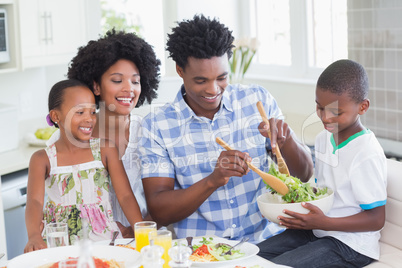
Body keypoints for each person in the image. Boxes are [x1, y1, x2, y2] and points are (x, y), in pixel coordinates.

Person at [138, 14, 314, 243]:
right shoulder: (157, 125)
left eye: (222, 77)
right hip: (204, 251)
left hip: (268, 242)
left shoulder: (256, 99)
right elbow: (160, 210)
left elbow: (304, 174)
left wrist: (286, 141)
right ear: (180, 70)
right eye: (201, 81)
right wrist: (213, 179)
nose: (213, 89)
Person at [257, 59, 387, 267]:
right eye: (319, 107)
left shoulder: (366, 153)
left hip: (350, 244)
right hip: (318, 230)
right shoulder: (323, 138)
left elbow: (376, 219)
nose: (325, 118)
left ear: (362, 107)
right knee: (253, 256)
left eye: (336, 112)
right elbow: (321, 190)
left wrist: (324, 222)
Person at [24, 79, 143, 252]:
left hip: (104, 240)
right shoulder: (42, 159)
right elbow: (34, 202)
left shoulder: (106, 150)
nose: (89, 119)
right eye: (80, 112)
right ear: (56, 116)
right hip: (60, 244)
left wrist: (142, 231)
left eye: (93, 112)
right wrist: (34, 235)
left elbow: (125, 195)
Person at [66, 30, 161, 237]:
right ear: (96, 86)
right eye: (117, 80)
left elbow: (163, 196)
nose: (129, 89)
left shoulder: (151, 133)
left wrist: (139, 229)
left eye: (135, 81)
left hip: (142, 241)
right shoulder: (71, 137)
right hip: (93, 243)